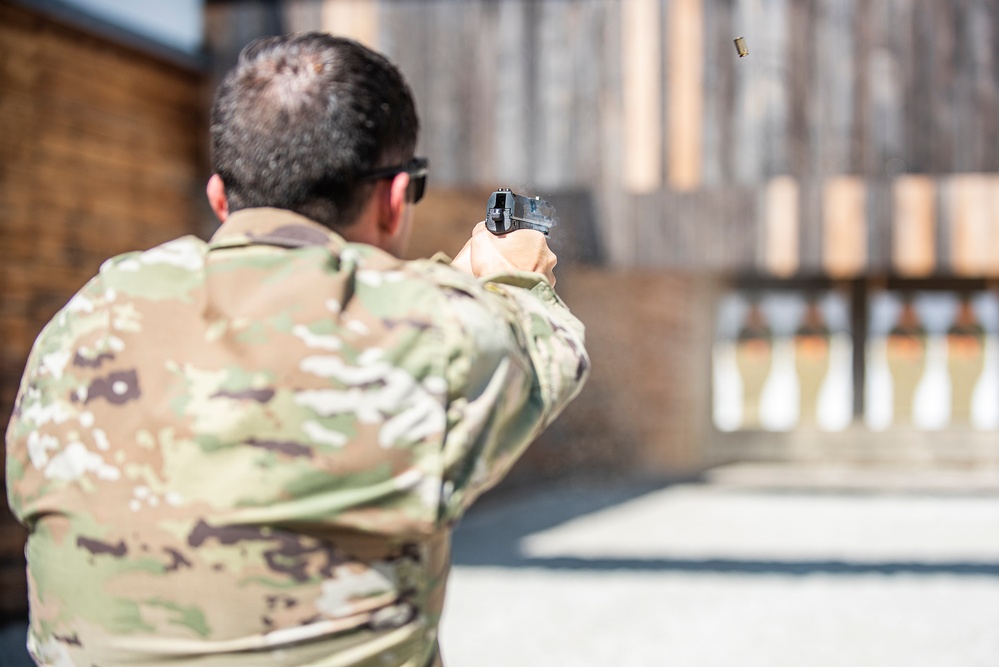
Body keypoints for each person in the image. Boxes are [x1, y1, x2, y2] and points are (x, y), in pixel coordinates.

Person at [5, 33, 588, 667]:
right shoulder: (433, 333)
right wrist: (512, 274)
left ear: (221, 198)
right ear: (395, 203)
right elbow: (545, 350)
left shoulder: (89, 314)